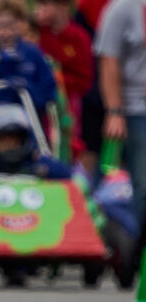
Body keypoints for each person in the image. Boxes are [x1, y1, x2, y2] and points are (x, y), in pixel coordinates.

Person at [95, 0, 146, 249]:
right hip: (137, 109)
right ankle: (136, 252)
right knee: (143, 184)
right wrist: (115, 111)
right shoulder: (123, 8)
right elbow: (109, 61)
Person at [34, 0, 93, 141]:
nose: (39, 9)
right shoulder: (36, 32)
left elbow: (84, 80)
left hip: (67, 105)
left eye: (45, 4)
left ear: (62, 6)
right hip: (39, 101)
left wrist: (56, 81)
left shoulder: (79, 37)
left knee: (66, 143)